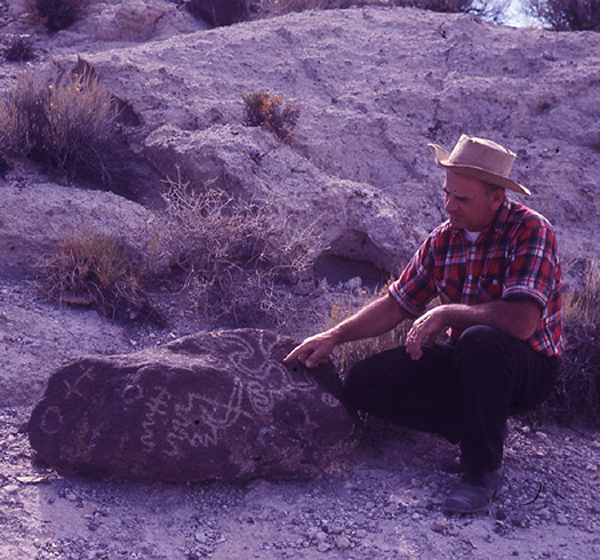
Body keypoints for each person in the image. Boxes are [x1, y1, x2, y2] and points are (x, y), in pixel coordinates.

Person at [284, 134, 562, 514]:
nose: (449, 206)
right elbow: (396, 305)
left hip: (526, 366)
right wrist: (335, 336)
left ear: (496, 198)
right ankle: (477, 428)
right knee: (364, 382)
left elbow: (522, 322)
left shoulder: (531, 230)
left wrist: (446, 313)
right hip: (469, 361)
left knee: (480, 340)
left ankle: (482, 471)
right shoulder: (442, 241)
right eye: (447, 194)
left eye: (462, 199)